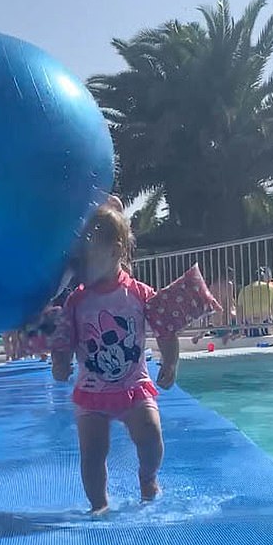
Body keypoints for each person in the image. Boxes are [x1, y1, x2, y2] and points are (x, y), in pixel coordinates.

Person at [51, 206, 184, 514]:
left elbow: (165, 329)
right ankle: (98, 504)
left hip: (134, 386)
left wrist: (170, 362)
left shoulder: (139, 293)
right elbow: (65, 340)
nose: (83, 268)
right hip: (92, 392)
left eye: (90, 258)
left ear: (115, 252)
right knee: (92, 454)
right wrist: (60, 363)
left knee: (151, 436)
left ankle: (147, 477)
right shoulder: (76, 300)